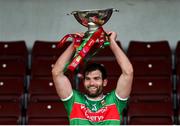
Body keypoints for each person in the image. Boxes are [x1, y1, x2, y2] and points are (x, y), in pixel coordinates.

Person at [52, 31, 133, 125]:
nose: (91, 83)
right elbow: (56, 72)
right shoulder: (74, 100)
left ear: (104, 82)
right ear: (83, 81)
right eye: (88, 78)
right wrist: (74, 44)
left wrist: (112, 42)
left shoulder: (115, 101)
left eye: (96, 78)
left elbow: (128, 72)